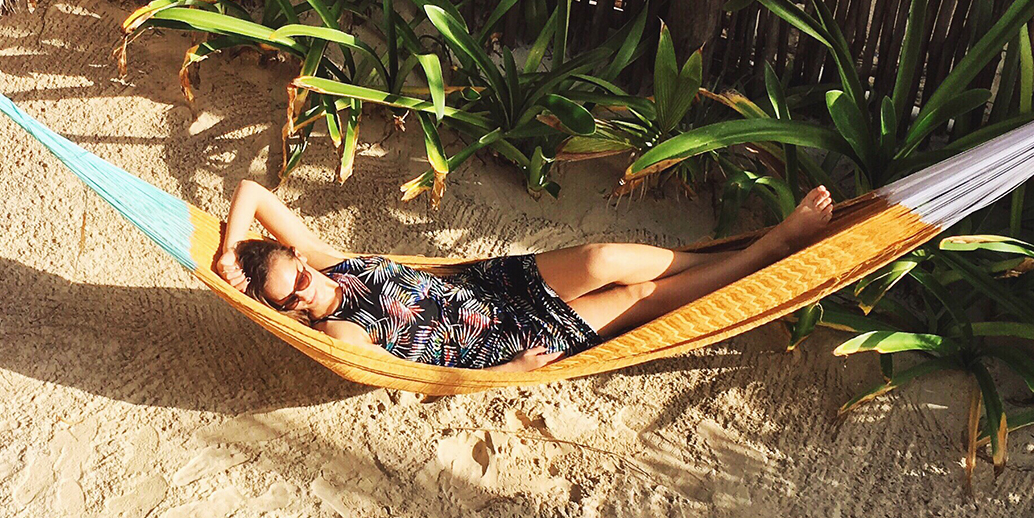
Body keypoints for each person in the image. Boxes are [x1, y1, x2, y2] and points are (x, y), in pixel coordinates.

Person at [214, 179, 835, 373]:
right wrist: (508, 374)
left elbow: (250, 191)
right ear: (290, 310)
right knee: (637, 295)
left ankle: (737, 253)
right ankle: (770, 249)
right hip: (499, 342)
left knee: (599, 258)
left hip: (487, 283)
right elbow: (418, 378)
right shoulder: (341, 333)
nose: (304, 284)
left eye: (294, 270)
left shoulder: (326, 264)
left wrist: (228, 250)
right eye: (291, 294)